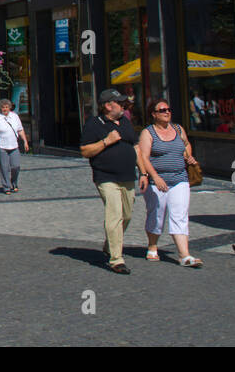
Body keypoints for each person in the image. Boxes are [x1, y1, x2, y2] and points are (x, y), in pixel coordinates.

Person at [79, 88, 140, 274]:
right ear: (107, 105)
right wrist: (106, 141)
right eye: (119, 103)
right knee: (114, 213)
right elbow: (85, 151)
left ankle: (110, 245)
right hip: (106, 177)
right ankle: (116, 259)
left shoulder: (125, 122)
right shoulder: (94, 124)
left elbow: (136, 146)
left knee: (127, 215)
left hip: (128, 176)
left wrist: (145, 173)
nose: (123, 106)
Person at [137, 97, 203, 267]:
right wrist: (155, 177)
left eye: (168, 110)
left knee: (179, 215)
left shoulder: (178, 129)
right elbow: (143, 157)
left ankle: (184, 255)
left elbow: (186, 144)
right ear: (154, 114)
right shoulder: (148, 133)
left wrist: (188, 156)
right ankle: (152, 246)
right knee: (157, 215)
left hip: (180, 179)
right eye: (162, 110)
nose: (167, 112)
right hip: (157, 181)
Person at [0, 99, 28, 194]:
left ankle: (14, 183)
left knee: (16, 166)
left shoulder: (15, 116)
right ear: (1, 108)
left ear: (9, 108)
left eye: (7, 107)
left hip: (14, 146)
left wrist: (25, 141)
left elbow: (20, 130)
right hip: (2, 146)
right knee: (4, 168)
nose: (5, 109)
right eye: (3, 107)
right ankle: (6, 187)